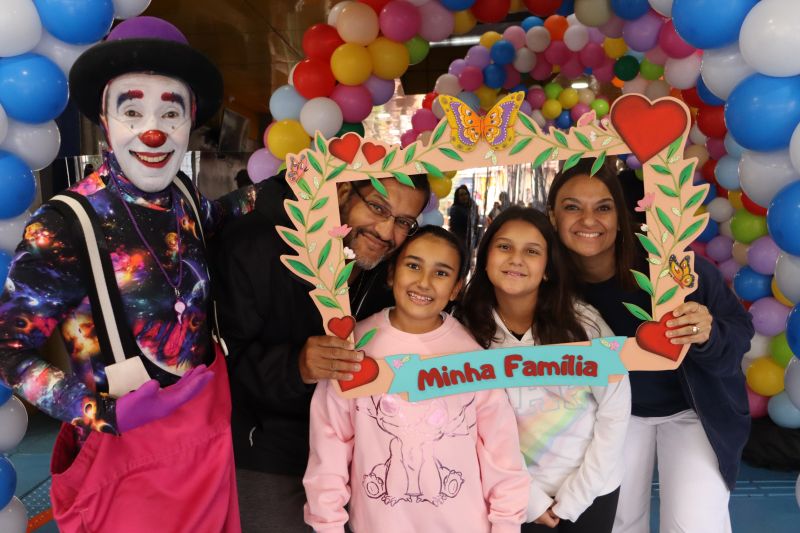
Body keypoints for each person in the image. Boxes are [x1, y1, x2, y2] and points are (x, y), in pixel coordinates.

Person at [0, 17, 257, 532]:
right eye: (133, 111)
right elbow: (9, 353)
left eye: (170, 112)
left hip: (205, 443)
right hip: (124, 463)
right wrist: (101, 412)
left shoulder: (184, 196)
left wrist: (281, 187)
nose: (153, 131)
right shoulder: (64, 225)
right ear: (105, 118)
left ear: (189, 120)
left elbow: (222, 215)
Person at [546, 158, 753, 533]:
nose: (588, 220)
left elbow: (739, 332)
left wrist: (707, 334)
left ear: (620, 217)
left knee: (695, 524)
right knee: (617, 522)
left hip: (694, 410)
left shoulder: (677, 269)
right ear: (552, 216)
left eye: (603, 208)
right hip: (610, 416)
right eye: (572, 207)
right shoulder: (548, 285)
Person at [214, 173, 430, 531]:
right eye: (378, 208)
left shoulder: (389, 270)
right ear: (343, 191)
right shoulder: (254, 244)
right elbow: (221, 363)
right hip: (271, 456)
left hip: (362, 464)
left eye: (404, 222)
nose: (387, 232)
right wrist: (296, 366)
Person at [303, 225, 530, 533]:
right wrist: (328, 524)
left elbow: (502, 455)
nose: (424, 282)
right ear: (391, 273)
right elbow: (329, 446)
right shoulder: (353, 348)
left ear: (456, 288)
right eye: (413, 266)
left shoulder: (472, 356)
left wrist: (506, 525)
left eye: (441, 273)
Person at [458, 207, 630, 533]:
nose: (516, 259)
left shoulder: (584, 325)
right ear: (485, 258)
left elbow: (616, 411)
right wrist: (530, 499)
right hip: (509, 492)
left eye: (532, 251)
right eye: (504, 246)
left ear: (548, 268)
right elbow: (468, 426)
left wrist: (577, 497)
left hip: (592, 489)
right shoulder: (466, 330)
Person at [448, 184, 478, 255]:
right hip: (460, 242)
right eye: (461, 195)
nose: (464, 196)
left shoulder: (470, 207)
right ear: (457, 197)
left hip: (469, 242)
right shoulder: (455, 209)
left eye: (465, 194)